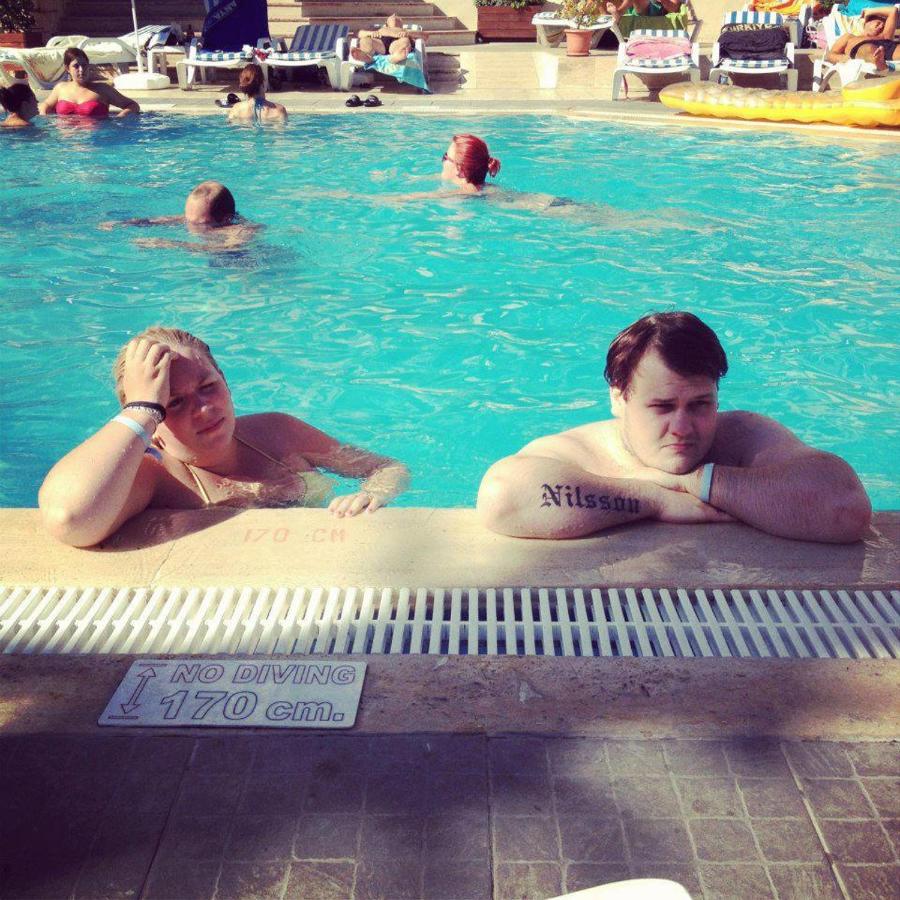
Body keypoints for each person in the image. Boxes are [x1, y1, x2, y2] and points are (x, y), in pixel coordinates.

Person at [476, 312, 871, 544]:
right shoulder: (581, 453)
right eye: (662, 407)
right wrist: (654, 498)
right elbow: (502, 497)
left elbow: (845, 508)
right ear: (619, 399)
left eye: (700, 405)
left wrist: (697, 482)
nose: (682, 428)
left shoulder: (744, 437)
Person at [39, 328, 410, 547]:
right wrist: (140, 410)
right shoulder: (156, 479)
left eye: (208, 386)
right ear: (154, 425)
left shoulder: (278, 432)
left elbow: (387, 468)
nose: (204, 409)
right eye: (174, 402)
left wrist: (372, 494)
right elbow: (70, 518)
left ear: (227, 384)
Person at [99, 181, 259, 252]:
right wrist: (126, 223)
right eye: (188, 219)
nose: (189, 227)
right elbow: (160, 220)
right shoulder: (198, 218)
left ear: (226, 219)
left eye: (198, 224)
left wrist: (168, 244)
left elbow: (227, 249)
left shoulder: (243, 230)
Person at [39, 47, 139, 118]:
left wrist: (120, 118)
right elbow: (46, 104)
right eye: (76, 66)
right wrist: (44, 118)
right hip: (65, 140)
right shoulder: (61, 88)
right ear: (67, 68)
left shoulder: (102, 89)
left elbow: (133, 105)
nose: (81, 70)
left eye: (84, 65)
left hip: (95, 139)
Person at [827, 6, 899, 71]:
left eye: (883, 26)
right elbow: (831, 55)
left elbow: (893, 10)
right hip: (862, 48)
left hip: (887, 48)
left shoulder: (885, 35)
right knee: (869, 48)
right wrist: (844, 59)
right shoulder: (849, 37)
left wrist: (870, 11)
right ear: (866, 23)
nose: (881, 27)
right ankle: (877, 60)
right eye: (878, 23)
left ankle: (879, 60)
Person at [352, 14, 420, 64]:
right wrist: (370, 33)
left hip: (398, 44)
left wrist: (409, 33)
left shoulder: (405, 30)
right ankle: (367, 58)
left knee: (405, 41)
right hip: (381, 45)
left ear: (401, 24)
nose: (394, 15)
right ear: (386, 24)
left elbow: (424, 36)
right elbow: (357, 33)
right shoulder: (381, 30)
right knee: (365, 40)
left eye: (397, 18)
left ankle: (395, 58)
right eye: (392, 17)